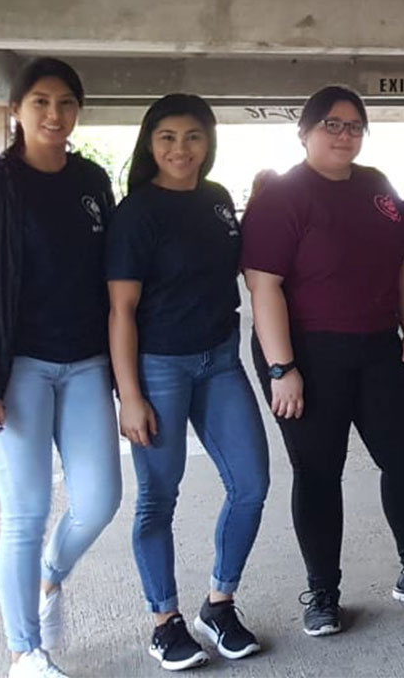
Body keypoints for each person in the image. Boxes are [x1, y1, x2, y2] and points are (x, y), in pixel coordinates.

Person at [241, 85, 404, 639]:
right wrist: (281, 368)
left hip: (375, 344)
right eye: (332, 125)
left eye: (353, 126)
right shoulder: (282, 194)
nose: (344, 135)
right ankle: (322, 592)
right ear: (306, 131)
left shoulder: (375, 188)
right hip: (305, 353)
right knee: (318, 473)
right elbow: (263, 285)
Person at [0, 57, 122, 678]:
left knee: (100, 501)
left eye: (66, 102)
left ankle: (51, 577)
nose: (54, 114)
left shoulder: (94, 181)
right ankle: (26, 651)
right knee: (25, 512)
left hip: (85, 366)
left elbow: (116, 279)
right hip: (15, 370)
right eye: (41, 101)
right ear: (18, 110)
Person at [106, 94, 270, 669]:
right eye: (168, 137)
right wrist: (130, 395)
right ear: (150, 143)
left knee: (251, 484)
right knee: (158, 497)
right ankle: (164, 620)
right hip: (159, 367)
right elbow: (121, 310)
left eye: (193, 136)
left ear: (209, 142)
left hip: (220, 360)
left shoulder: (218, 200)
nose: (182, 148)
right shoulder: (136, 213)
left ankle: (218, 605)